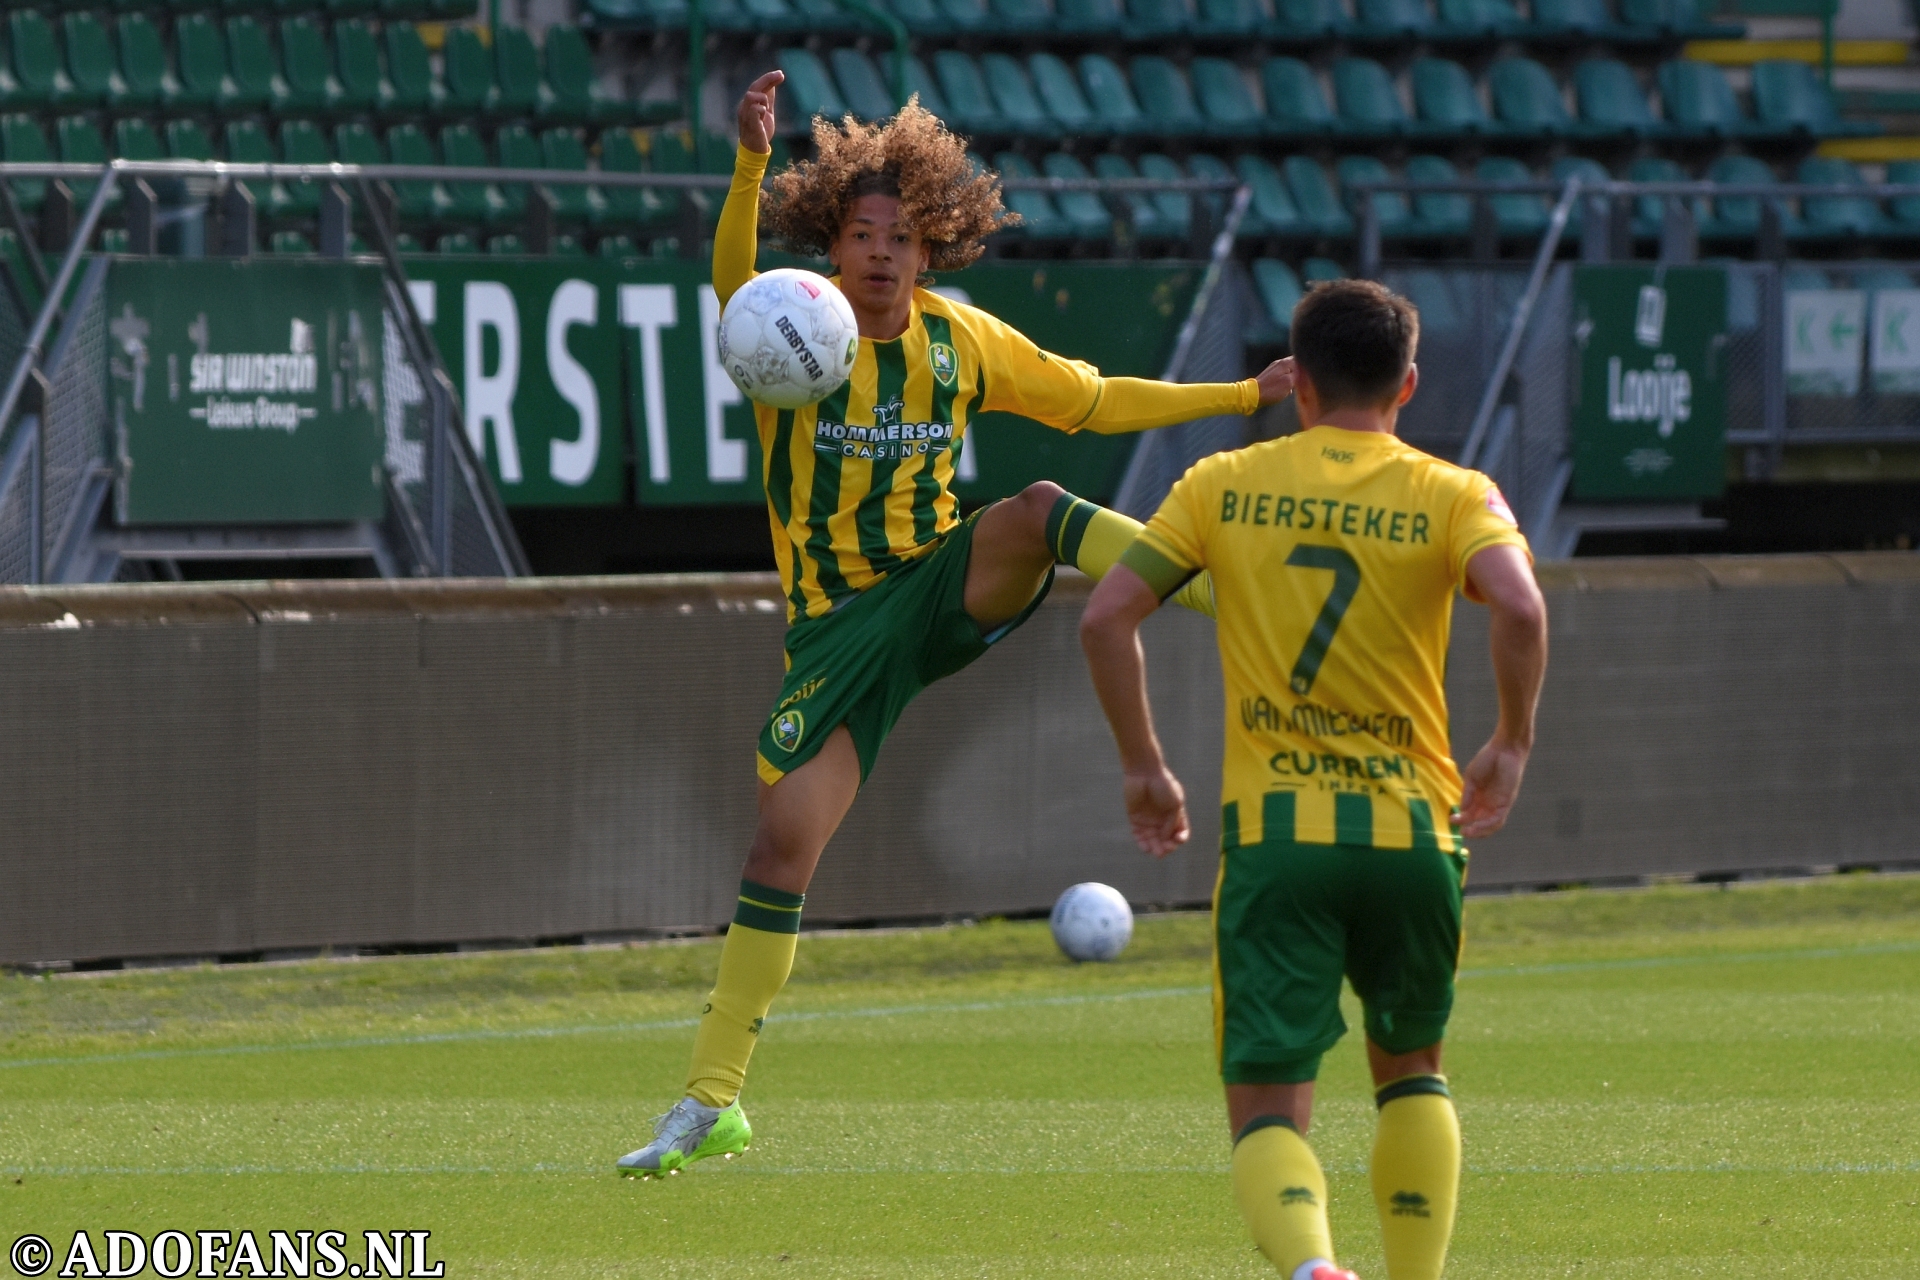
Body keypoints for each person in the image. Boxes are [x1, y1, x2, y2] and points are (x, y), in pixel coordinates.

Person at [617, 72, 1298, 1177]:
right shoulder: (793, 335)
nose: (881, 253)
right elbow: (737, 281)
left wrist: (1242, 396)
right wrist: (749, 162)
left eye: (902, 235)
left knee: (1034, 510)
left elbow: (1093, 396)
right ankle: (712, 1100)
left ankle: (1242, 594)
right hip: (836, 630)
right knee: (781, 844)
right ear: (831, 247)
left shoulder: (960, 344)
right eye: (860, 233)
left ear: (933, 248)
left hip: (939, 578)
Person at [1077, 279, 1548, 1280]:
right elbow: (1520, 606)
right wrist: (1509, 741)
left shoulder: (1220, 483)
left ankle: (1312, 1267)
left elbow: (1104, 616)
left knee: (1267, 1097)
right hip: (1416, 833)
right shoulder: (1455, 491)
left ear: (1299, 383)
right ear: (1408, 383)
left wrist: (1144, 765)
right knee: (1413, 1070)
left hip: (1279, 837)